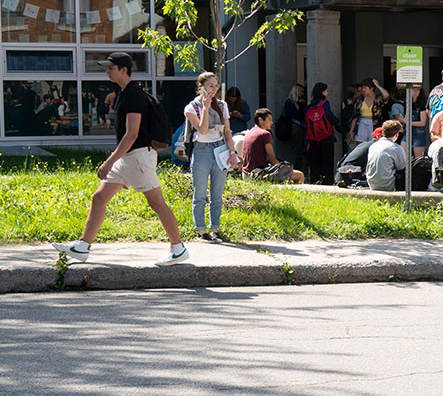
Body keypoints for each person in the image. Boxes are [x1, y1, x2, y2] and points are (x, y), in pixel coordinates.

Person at [53, 53, 188, 266]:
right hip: (128, 159)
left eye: (110, 68)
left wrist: (108, 161)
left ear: (123, 69)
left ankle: (178, 248)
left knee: (157, 203)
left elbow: (132, 134)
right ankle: (82, 247)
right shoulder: (125, 94)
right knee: (99, 198)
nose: (107, 71)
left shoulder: (134, 95)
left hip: (138, 158)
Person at [183, 71, 239, 242]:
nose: (214, 89)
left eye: (216, 86)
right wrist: (206, 109)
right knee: (199, 194)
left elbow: (227, 131)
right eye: (210, 86)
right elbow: (203, 130)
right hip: (201, 150)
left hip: (219, 149)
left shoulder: (222, 106)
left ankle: (214, 229)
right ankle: (201, 231)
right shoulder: (191, 107)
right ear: (201, 87)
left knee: (217, 194)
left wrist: (233, 153)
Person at [238, 108, 304, 183]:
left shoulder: (249, 132)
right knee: (300, 175)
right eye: (269, 120)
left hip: (246, 174)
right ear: (260, 120)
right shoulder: (265, 134)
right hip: (257, 175)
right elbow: (273, 160)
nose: (272, 122)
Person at [299, 83, 340, 185]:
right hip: (327, 138)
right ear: (323, 92)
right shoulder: (324, 103)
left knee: (315, 164)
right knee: (327, 164)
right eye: (326, 90)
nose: (327, 92)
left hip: (313, 140)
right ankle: (328, 184)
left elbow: (305, 121)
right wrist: (339, 125)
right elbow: (329, 116)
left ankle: (315, 183)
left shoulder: (309, 106)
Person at [367, 120, 408, 191]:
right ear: (397, 134)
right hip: (388, 184)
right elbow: (402, 167)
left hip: (372, 183)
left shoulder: (373, 146)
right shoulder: (396, 148)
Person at [278, 83, 307, 166]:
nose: (302, 94)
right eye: (301, 91)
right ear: (296, 91)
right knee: (295, 149)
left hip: (299, 128)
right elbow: (292, 116)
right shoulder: (289, 102)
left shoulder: (299, 103)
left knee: (299, 149)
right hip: (293, 128)